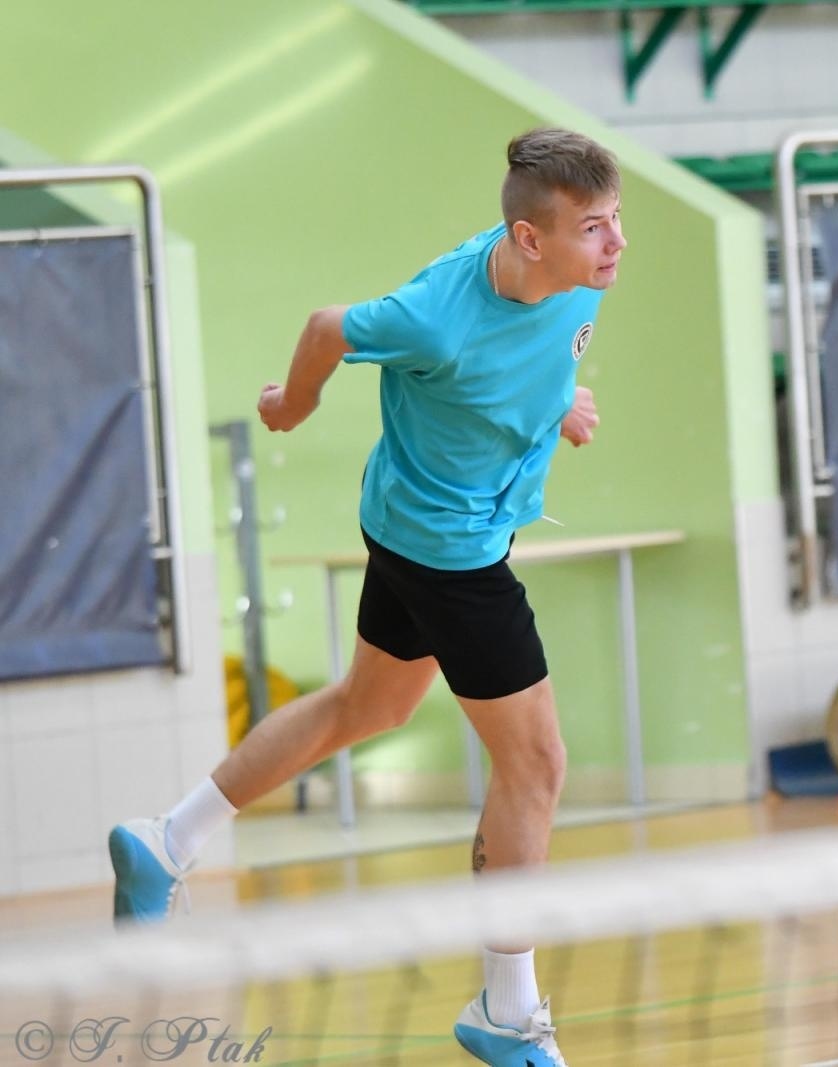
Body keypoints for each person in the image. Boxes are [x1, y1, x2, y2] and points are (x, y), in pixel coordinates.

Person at [108, 126, 627, 1067]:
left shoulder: (571, 280)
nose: (617, 243)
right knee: (538, 764)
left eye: (617, 219)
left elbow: (521, 362)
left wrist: (560, 404)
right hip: (449, 554)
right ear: (528, 238)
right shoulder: (437, 312)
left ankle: (164, 840)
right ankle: (507, 1011)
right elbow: (326, 329)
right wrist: (293, 406)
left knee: (368, 704)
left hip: (412, 525)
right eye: (596, 227)